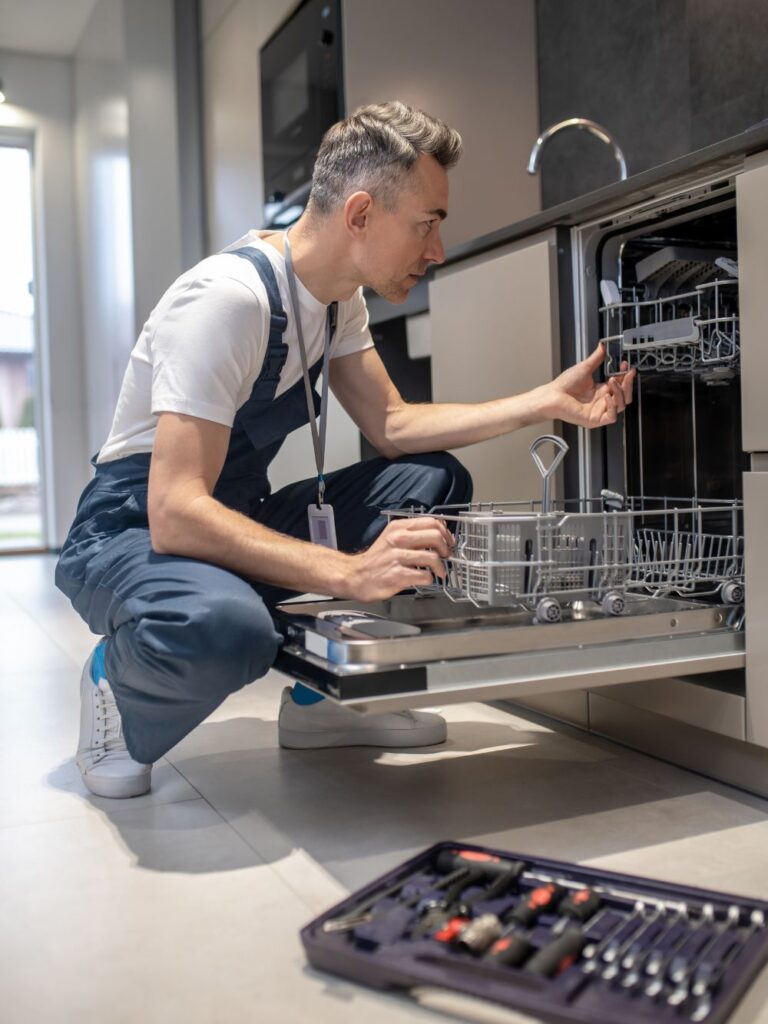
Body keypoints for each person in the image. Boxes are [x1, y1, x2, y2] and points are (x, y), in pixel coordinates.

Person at [56, 101, 635, 799]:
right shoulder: (226, 301)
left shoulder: (337, 300)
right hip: (132, 533)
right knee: (229, 629)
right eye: (426, 226)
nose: (437, 251)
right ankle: (116, 684)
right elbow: (176, 511)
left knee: (429, 482)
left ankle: (317, 707)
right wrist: (347, 571)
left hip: (233, 513)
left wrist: (545, 401)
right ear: (360, 215)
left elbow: (392, 424)